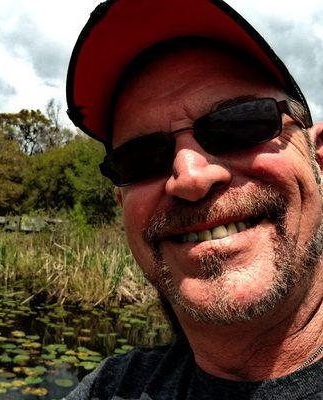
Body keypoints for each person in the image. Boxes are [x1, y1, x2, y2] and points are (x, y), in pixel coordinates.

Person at [65, 0, 322, 399]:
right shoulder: (109, 389)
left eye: (239, 124)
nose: (190, 177)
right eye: (141, 159)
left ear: (318, 159)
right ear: (121, 205)